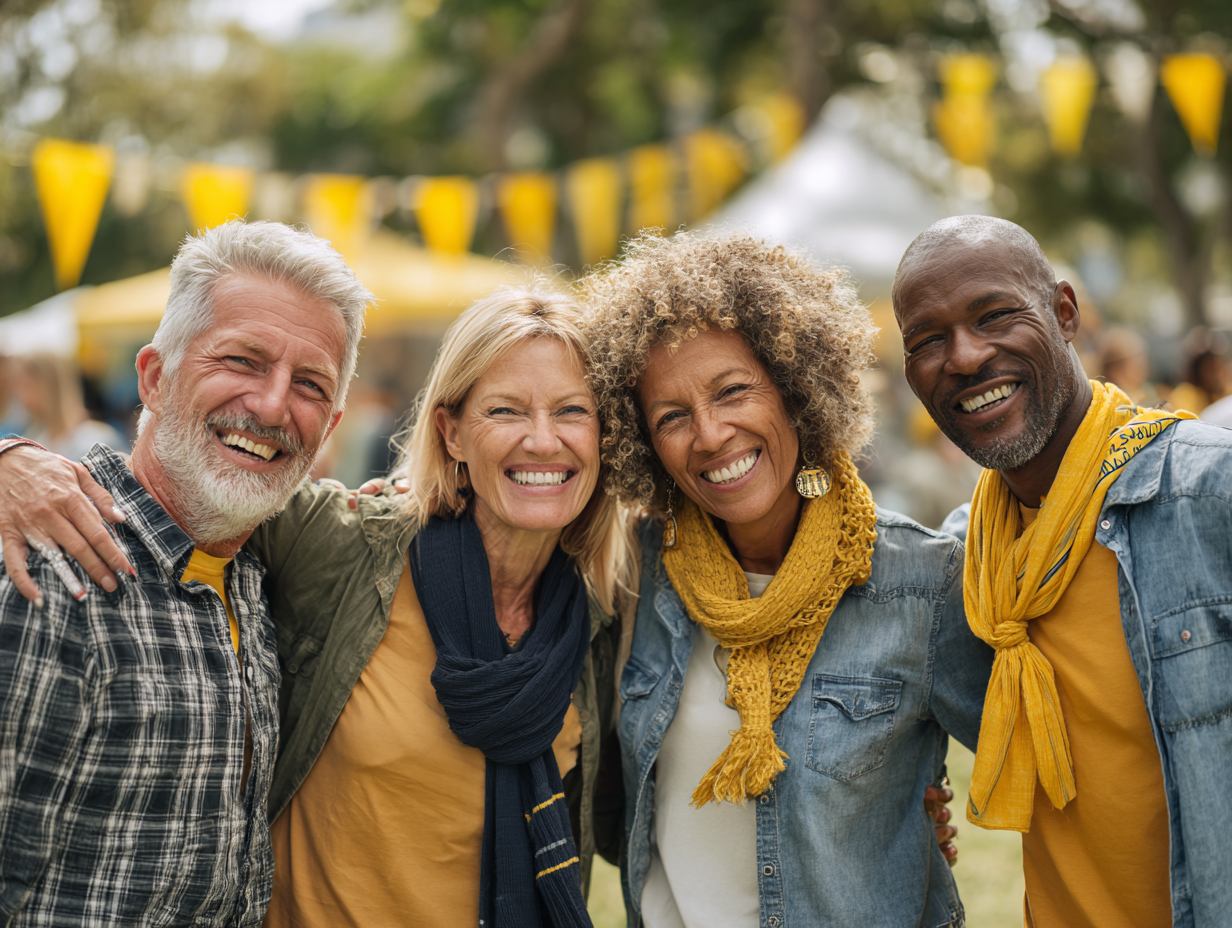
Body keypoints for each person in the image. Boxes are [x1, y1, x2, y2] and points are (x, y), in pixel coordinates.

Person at [0, 287, 632, 927]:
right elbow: (175, 482)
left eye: (572, 411)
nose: (543, 441)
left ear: (605, 436)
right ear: (452, 432)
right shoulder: (339, 543)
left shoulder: (598, 613)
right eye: (506, 410)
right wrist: (12, 461)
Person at [581, 231, 993, 928]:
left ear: (796, 388)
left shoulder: (918, 582)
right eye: (672, 417)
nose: (710, 435)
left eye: (733, 392)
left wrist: (904, 828)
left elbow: (1051, 770)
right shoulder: (631, 572)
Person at [0, 219, 370, 926]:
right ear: (155, 377)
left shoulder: (253, 571)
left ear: (333, 424)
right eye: (242, 360)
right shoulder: (50, 568)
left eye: (310, 385)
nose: (271, 406)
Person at [892, 214, 1232, 928]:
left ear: (1065, 312)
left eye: (995, 315)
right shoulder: (970, 571)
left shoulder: (1208, 497)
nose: (963, 355)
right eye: (927, 340)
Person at [14, 352, 126, 458]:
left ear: (47, 387)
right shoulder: (36, 438)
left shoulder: (97, 440)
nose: (19, 395)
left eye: (26, 386)